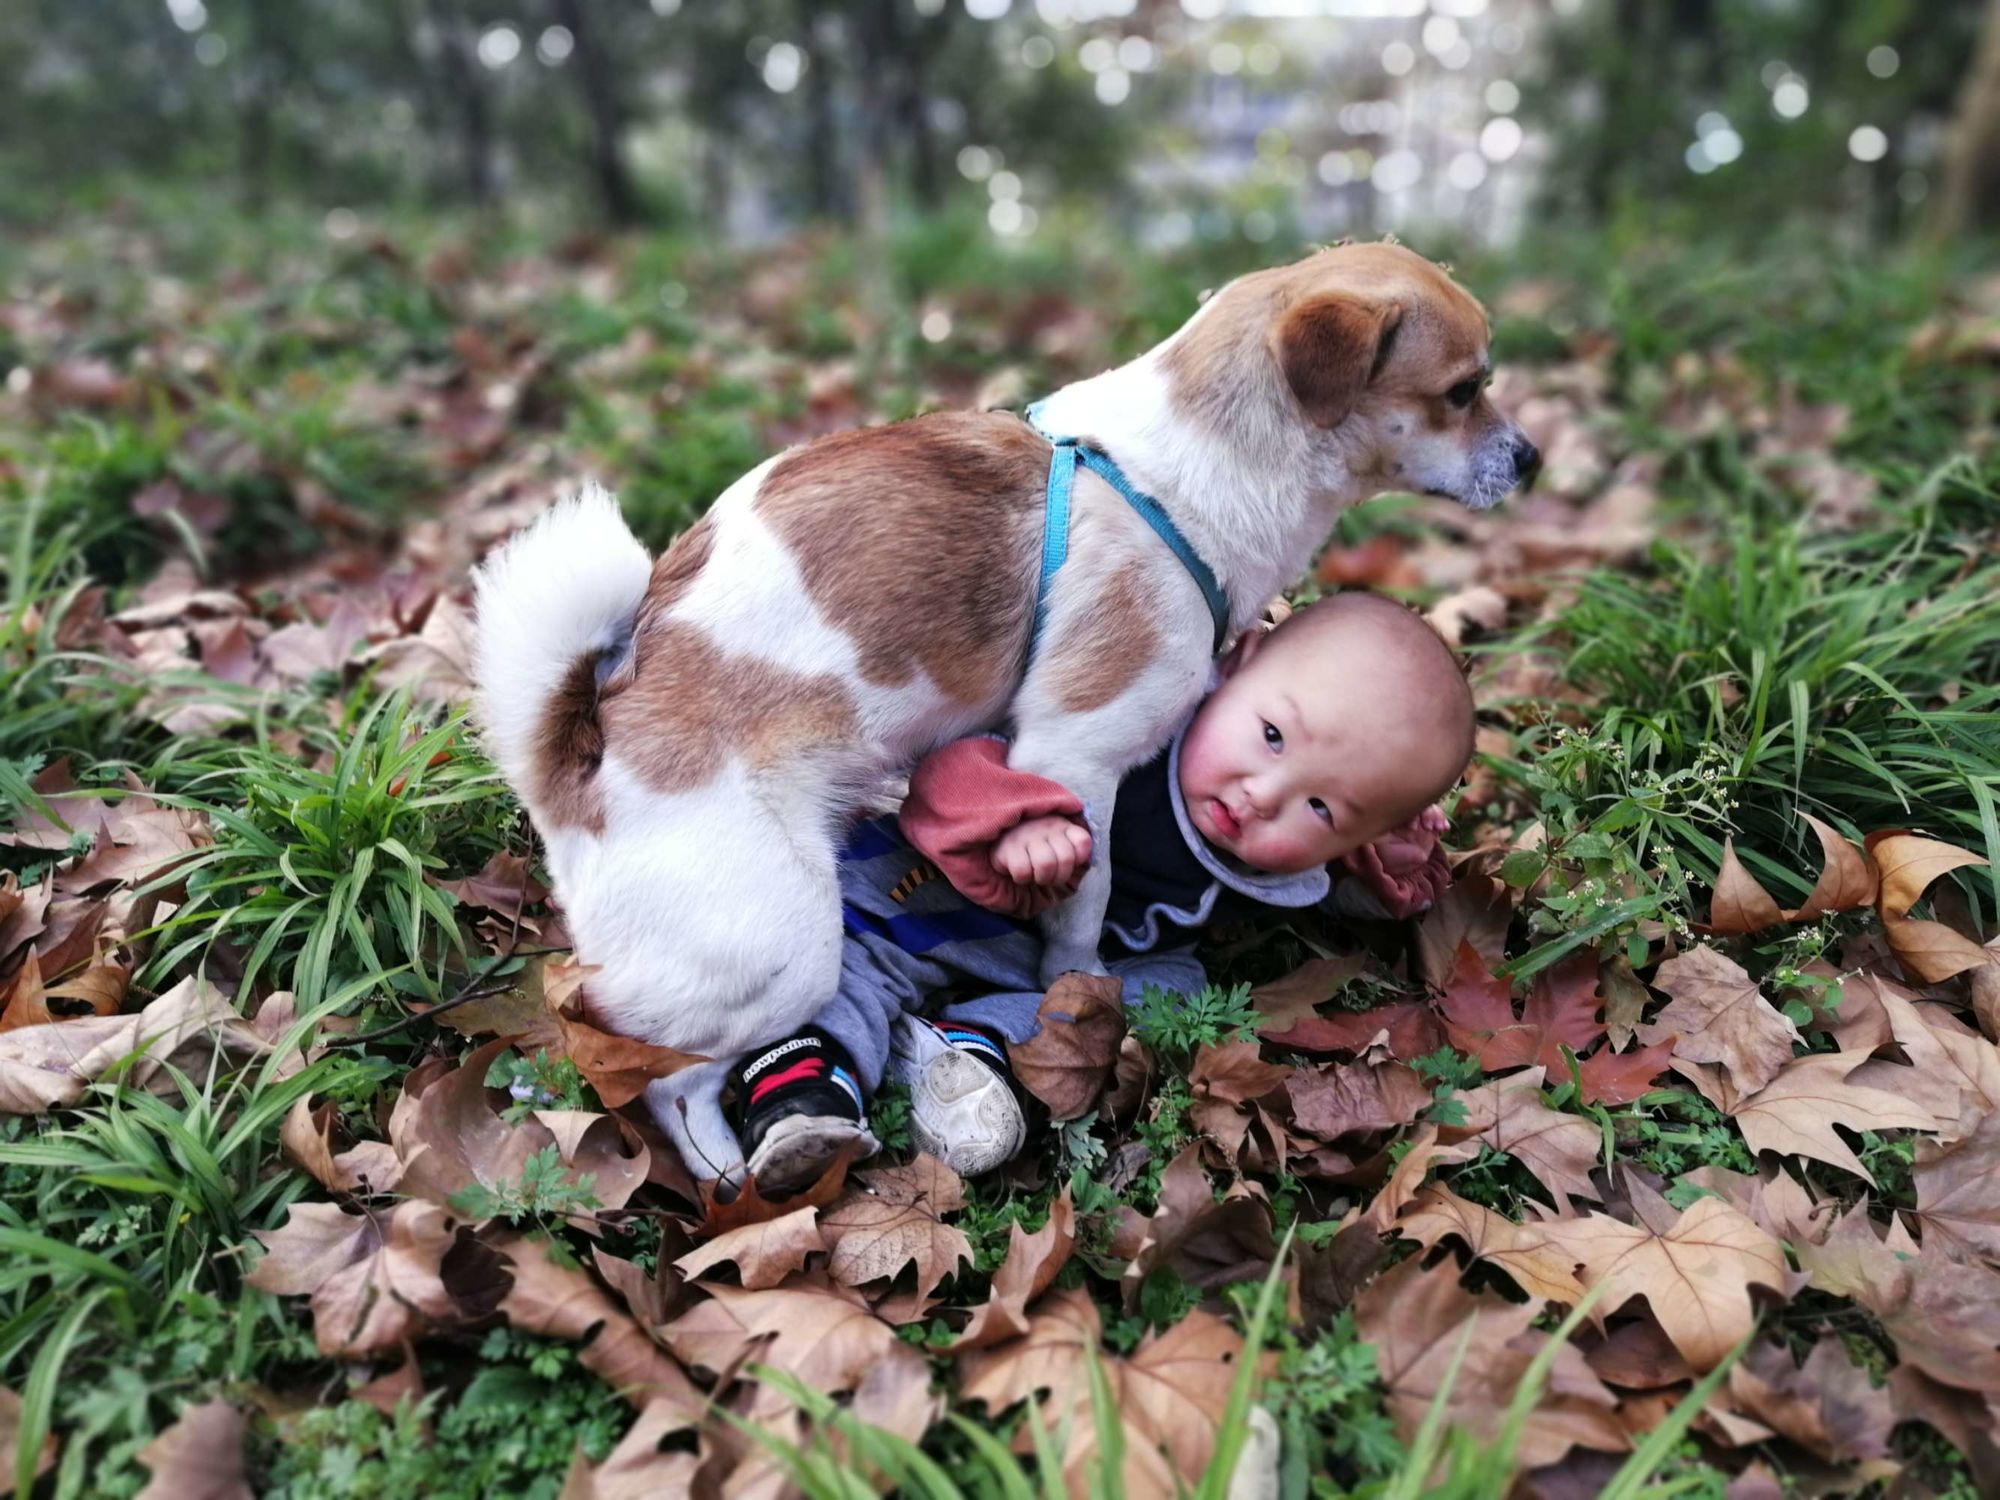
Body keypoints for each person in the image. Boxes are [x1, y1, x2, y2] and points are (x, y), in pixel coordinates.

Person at [724, 593, 1477, 1192]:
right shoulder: (1142, 715)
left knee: (1173, 986)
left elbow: (1319, 891)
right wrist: (1011, 819)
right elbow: (956, 759)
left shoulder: (1287, 834)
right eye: (1273, 737)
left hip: (1067, 960)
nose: (1264, 794)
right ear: (1237, 662)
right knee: (861, 953)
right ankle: (800, 1084)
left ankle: (977, 1056)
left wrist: (1391, 866)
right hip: (944, 888)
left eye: (1322, 808)